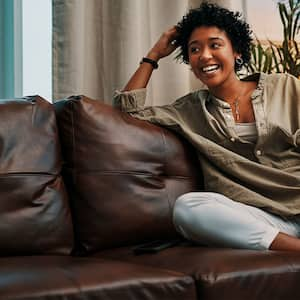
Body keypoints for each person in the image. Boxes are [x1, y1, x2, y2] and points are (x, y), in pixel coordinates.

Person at [113, 2, 300, 251]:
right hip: (262, 219)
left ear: (237, 52)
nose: (204, 56)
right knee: (188, 208)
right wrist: (153, 55)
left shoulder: (285, 87)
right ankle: (293, 248)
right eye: (194, 49)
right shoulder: (188, 111)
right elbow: (126, 112)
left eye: (215, 45)